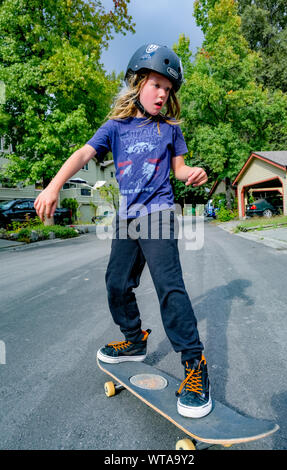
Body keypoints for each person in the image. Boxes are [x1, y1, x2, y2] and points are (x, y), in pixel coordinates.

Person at [34, 44, 212, 419]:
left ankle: (195, 365)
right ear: (138, 83)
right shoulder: (115, 126)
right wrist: (52, 186)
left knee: (169, 287)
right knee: (116, 283)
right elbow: (83, 155)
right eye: (156, 85)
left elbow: (178, 170)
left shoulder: (170, 130)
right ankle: (135, 341)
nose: (163, 94)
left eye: (168, 88)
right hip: (127, 218)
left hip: (159, 213)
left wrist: (190, 173)